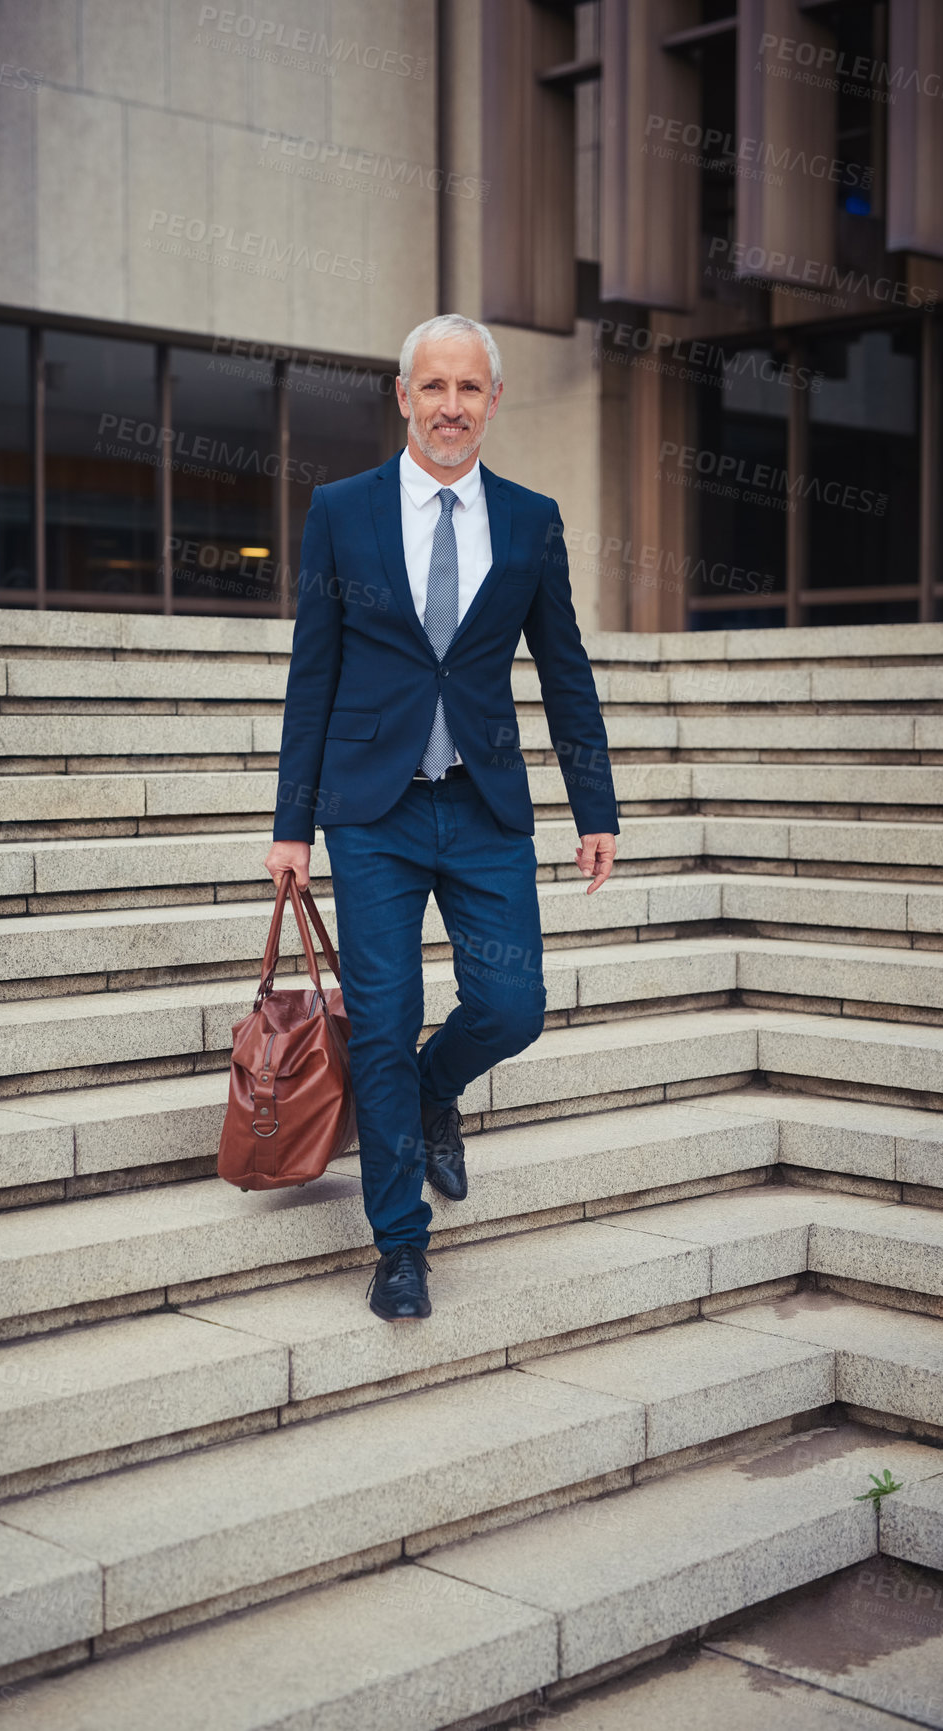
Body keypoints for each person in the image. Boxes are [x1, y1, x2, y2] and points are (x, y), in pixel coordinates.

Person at [264, 313, 618, 1320]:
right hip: (368, 812)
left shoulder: (531, 520)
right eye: (435, 387)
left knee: (513, 1008)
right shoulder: (342, 511)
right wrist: (293, 825)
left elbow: (565, 669)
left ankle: (432, 1090)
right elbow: (313, 673)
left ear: (493, 401)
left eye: (470, 389)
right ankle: (399, 1247)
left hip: (484, 805)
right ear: (404, 397)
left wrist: (596, 805)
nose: (451, 406)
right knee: (379, 1023)